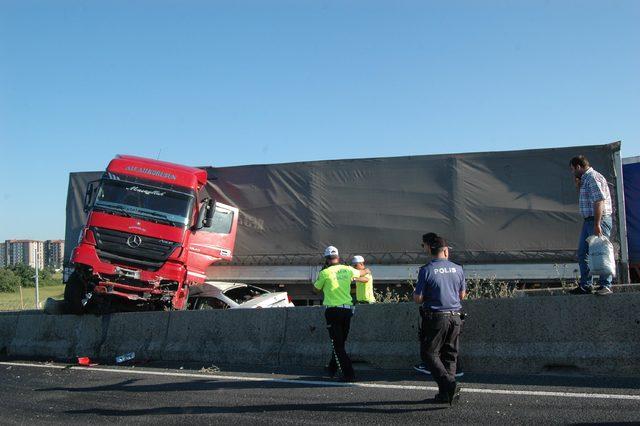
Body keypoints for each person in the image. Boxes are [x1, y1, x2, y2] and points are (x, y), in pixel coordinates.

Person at [413, 236, 466, 406]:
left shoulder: (426, 270)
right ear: (445, 250)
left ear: (430, 249)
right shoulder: (458, 268)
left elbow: (418, 298)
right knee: (450, 354)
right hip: (456, 316)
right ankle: (445, 394)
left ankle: (449, 385)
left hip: (436, 317)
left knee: (429, 354)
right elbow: (462, 295)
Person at [314, 245, 371, 382]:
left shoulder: (324, 273)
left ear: (327, 259)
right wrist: (362, 271)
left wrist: (323, 275)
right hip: (347, 311)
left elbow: (316, 289)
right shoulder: (347, 269)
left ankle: (349, 374)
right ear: (338, 257)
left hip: (333, 311)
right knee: (340, 342)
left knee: (337, 344)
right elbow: (365, 272)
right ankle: (332, 368)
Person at [569, 155, 614, 296]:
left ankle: (606, 285)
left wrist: (597, 223)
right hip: (589, 220)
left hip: (597, 220)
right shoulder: (585, 179)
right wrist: (578, 185)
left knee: (602, 251)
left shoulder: (593, 177)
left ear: (578, 167)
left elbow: (599, 201)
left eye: (573, 169)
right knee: (583, 253)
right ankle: (586, 285)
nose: (572, 172)